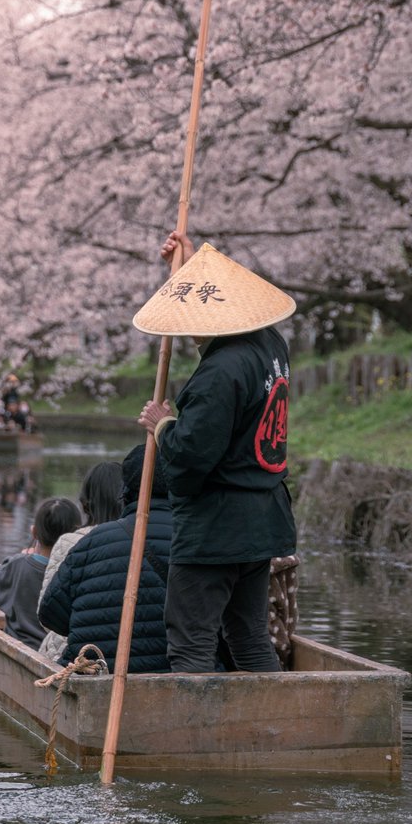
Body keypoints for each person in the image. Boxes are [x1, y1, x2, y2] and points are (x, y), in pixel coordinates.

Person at [136, 230, 298, 673]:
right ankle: (273, 730)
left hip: (215, 528)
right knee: (249, 639)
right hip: (261, 520)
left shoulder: (218, 374)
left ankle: (194, 739)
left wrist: (162, 425)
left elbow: (189, 461)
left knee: (190, 642)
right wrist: (187, 266)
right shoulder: (271, 345)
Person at [38, 445, 172, 673]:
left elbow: (50, 615)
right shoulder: (200, 541)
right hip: (170, 671)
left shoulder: (92, 541)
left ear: (126, 490)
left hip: (95, 671)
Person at [37, 460, 123, 663]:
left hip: (75, 656)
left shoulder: (69, 542)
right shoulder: (141, 539)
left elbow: (46, 615)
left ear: (86, 502)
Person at [0, 496, 82, 649]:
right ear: (76, 535)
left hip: (20, 647)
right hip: (56, 654)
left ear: (34, 532)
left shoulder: (17, 564)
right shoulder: (77, 573)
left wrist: (23, 558)